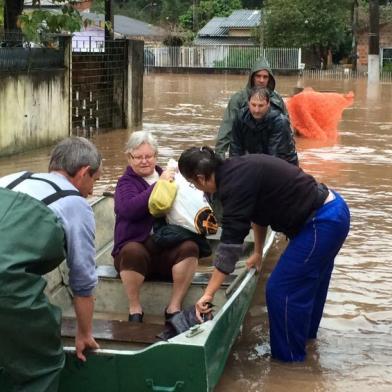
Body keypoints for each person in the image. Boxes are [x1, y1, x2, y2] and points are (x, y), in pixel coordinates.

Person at [178, 146, 350, 362]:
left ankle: (289, 365)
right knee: (308, 285)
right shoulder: (236, 169)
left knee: (281, 290)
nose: (198, 189)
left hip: (321, 222)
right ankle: (307, 345)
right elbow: (259, 215)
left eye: (194, 184)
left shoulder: (232, 186)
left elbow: (230, 247)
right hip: (332, 211)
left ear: (201, 178)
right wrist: (258, 252)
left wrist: (208, 294)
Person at [0, 137, 102, 392]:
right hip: (6, 285)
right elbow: (82, 281)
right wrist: (84, 333)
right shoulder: (75, 204)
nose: (91, 191)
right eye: (95, 181)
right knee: (41, 366)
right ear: (83, 173)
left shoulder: (10, 180)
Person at [112, 131, 198, 322]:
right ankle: (135, 308)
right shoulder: (125, 183)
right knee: (132, 251)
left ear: (156, 156)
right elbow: (128, 209)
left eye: (148, 156)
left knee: (191, 247)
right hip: (135, 252)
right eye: (138, 157)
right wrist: (157, 186)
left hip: (165, 247)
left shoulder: (170, 177)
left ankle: (174, 307)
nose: (144, 161)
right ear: (129, 158)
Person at [215, 57, 289, 158]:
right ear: (252, 77)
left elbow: (288, 129)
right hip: (247, 150)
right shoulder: (238, 99)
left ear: (269, 79)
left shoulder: (277, 99)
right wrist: (220, 156)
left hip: (274, 149)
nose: (261, 80)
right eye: (258, 76)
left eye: (265, 77)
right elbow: (226, 129)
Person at [230, 86, 298, 166]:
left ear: (268, 104)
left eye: (261, 105)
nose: (256, 110)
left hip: (285, 165)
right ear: (248, 103)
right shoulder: (240, 117)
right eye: (253, 105)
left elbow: (274, 156)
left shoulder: (280, 122)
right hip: (260, 159)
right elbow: (235, 150)